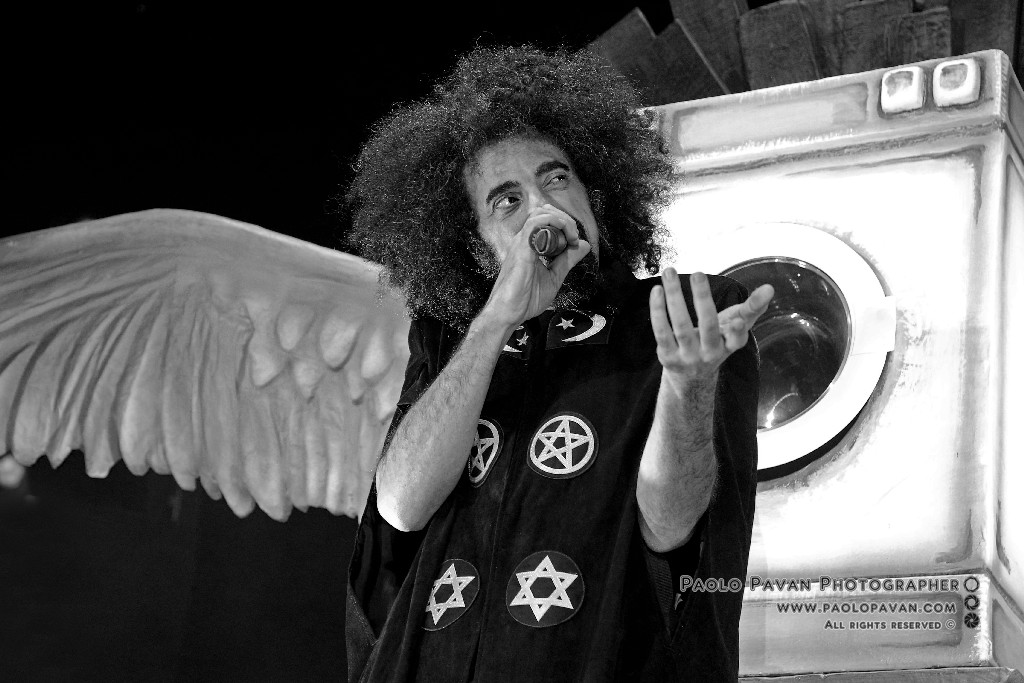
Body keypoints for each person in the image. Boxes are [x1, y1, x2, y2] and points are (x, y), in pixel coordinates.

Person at [343, 45, 773, 682]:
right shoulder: (451, 343)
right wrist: (496, 319)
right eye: (506, 201)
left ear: (594, 196)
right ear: (476, 246)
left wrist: (687, 385)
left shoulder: (686, 314)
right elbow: (402, 507)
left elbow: (674, 531)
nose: (543, 209)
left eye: (556, 178)